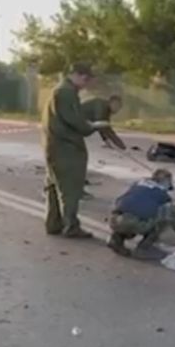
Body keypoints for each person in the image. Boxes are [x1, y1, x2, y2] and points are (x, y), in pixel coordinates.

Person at [41, 63, 110, 238]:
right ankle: (71, 226)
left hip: (54, 145)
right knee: (70, 188)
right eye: (87, 80)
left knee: (54, 185)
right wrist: (94, 126)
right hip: (66, 148)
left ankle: (54, 223)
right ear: (81, 76)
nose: (87, 85)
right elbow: (75, 121)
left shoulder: (60, 90)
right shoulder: (66, 92)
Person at [107, 168, 175, 260]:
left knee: (129, 215)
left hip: (115, 220)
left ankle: (116, 239)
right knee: (164, 219)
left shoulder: (137, 184)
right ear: (166, 182)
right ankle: (143, 248)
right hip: (134, 223)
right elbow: (173, 215)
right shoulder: (162, 194)